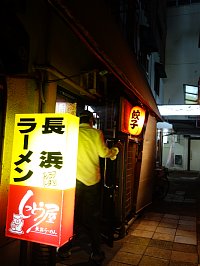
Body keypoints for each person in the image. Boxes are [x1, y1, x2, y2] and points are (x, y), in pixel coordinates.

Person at [58, 110, 119, 264]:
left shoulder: (71, 133)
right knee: (92, 216)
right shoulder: (96, 133)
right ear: (91, 120)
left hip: (73, 180)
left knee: (71, 214)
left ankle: (65, 249)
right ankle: (96, 252)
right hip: (92, 181)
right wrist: (115, 151)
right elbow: (103, 153)